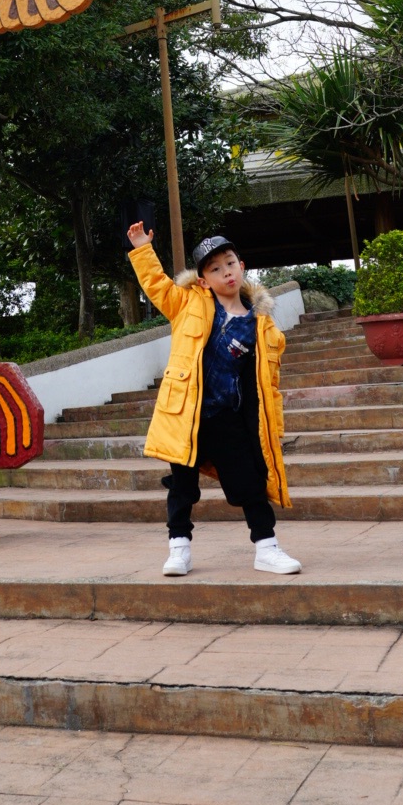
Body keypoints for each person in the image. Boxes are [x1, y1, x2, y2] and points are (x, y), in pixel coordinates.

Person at [126, 222, 300, 576]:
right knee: (182, 486)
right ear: (203, 280)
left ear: (242, 266)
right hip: (186, 414)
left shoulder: (262, 326)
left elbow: (271, 386)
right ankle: (179, 550)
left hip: (229, 417)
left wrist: (274, 426)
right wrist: (143, 248)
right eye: (215, 268)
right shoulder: (186, 303)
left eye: (230, 263)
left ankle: (267, 548)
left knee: (250, 482)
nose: (226, 272)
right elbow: (157, 285)